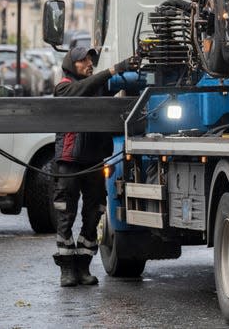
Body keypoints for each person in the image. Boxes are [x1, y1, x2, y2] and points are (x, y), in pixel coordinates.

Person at [52, 46, 138, 287]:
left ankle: (83, 267)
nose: (89, 63)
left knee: (95, 213)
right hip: (69, 162)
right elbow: (81, 90)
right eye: (83, 61)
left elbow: (121, 86)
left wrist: (131, 71)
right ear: (71, 64)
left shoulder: (97, 86)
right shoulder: (65, 86)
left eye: (91, 60)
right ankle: (67, 270)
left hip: (94, 161)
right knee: (65, 214)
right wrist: (112, 70)